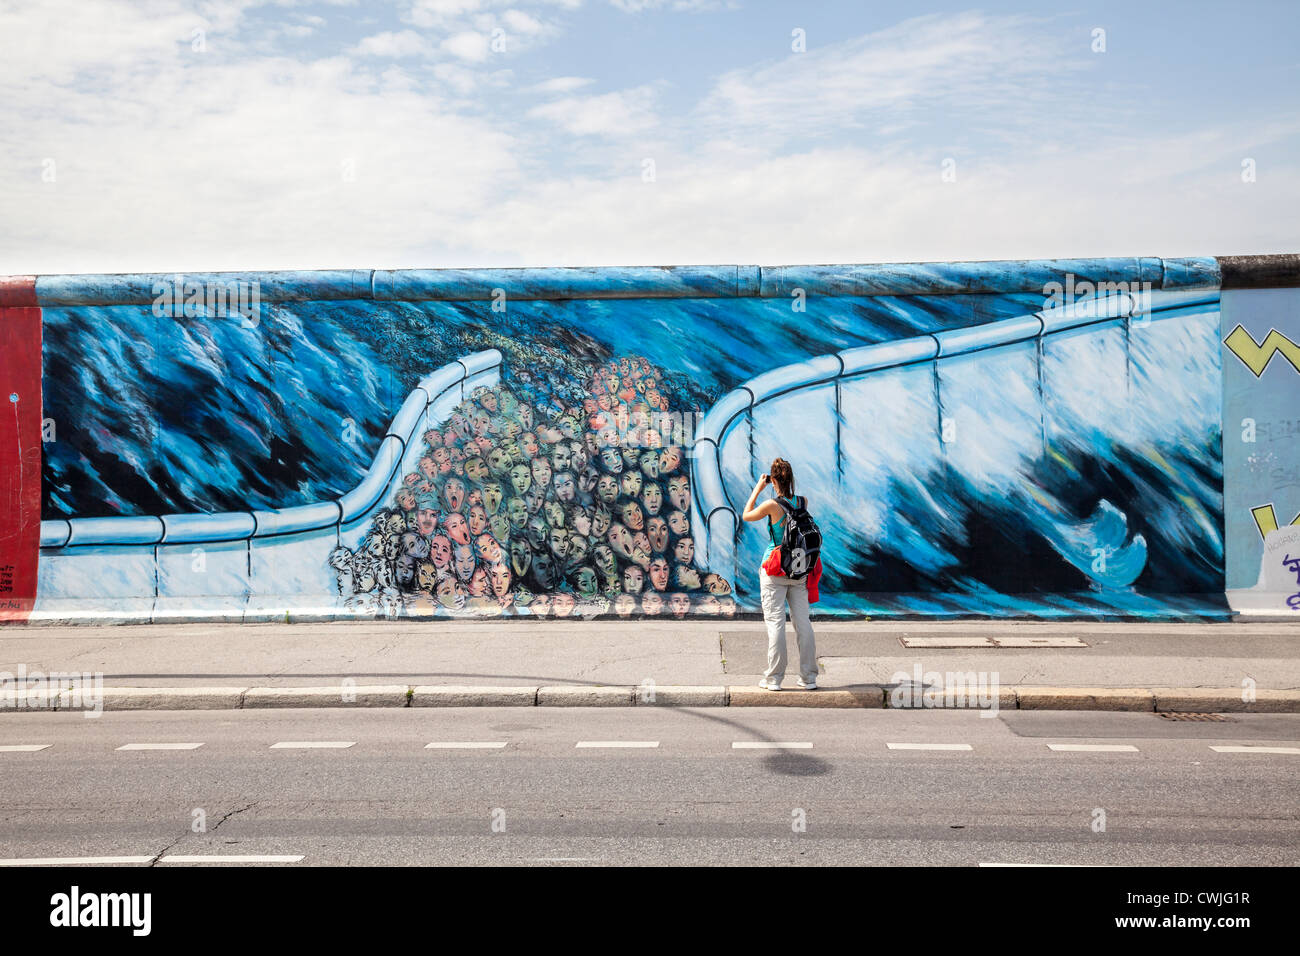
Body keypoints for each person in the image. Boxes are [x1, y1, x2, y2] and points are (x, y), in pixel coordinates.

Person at [742, 457, 817, 691]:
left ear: (773, 480)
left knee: (776, 623)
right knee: (803, 623)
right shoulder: (803, 502)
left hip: (774, 569)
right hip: (799, 569)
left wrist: (758, 488)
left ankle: (774, 679)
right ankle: (809, 678)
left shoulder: (771, 506)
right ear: (791, 478)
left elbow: (746, 514)